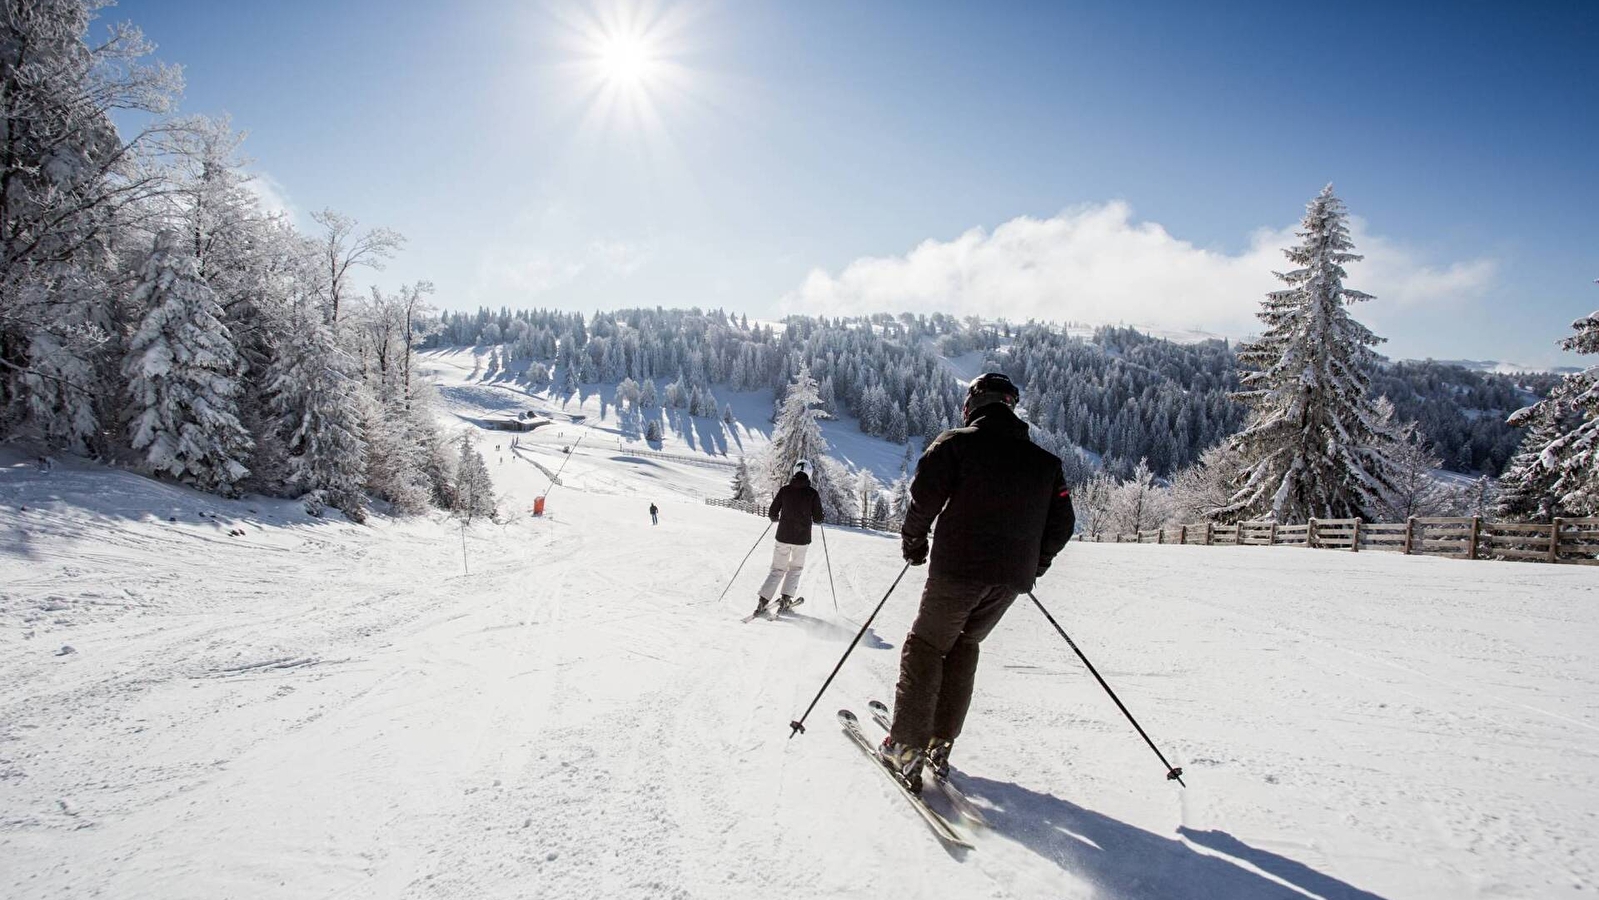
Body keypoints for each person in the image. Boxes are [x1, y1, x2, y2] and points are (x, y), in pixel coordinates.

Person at [879, 373, 1075, 789]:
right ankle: (939, 740)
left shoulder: (956, 444)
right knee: (965, 644)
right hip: (1009, 582)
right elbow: (1062, 525)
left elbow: (924, 497)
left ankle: (907, 746)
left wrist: (914, 541)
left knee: (927, 645)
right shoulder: (1046, 464)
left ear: (973, 405)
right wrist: (1033, 564)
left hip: (958, 571)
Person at [753, 460, 825, 618]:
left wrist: (777, 518)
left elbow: (772, 512)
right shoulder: (812, 493)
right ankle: (786, 599)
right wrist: (818, 516)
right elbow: (819, 518)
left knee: (778, 569)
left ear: (794, 472)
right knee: (795, 569)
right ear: (810, 473)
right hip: (802, 539)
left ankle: (763, 600)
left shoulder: (785, 490)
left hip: (783, 536)